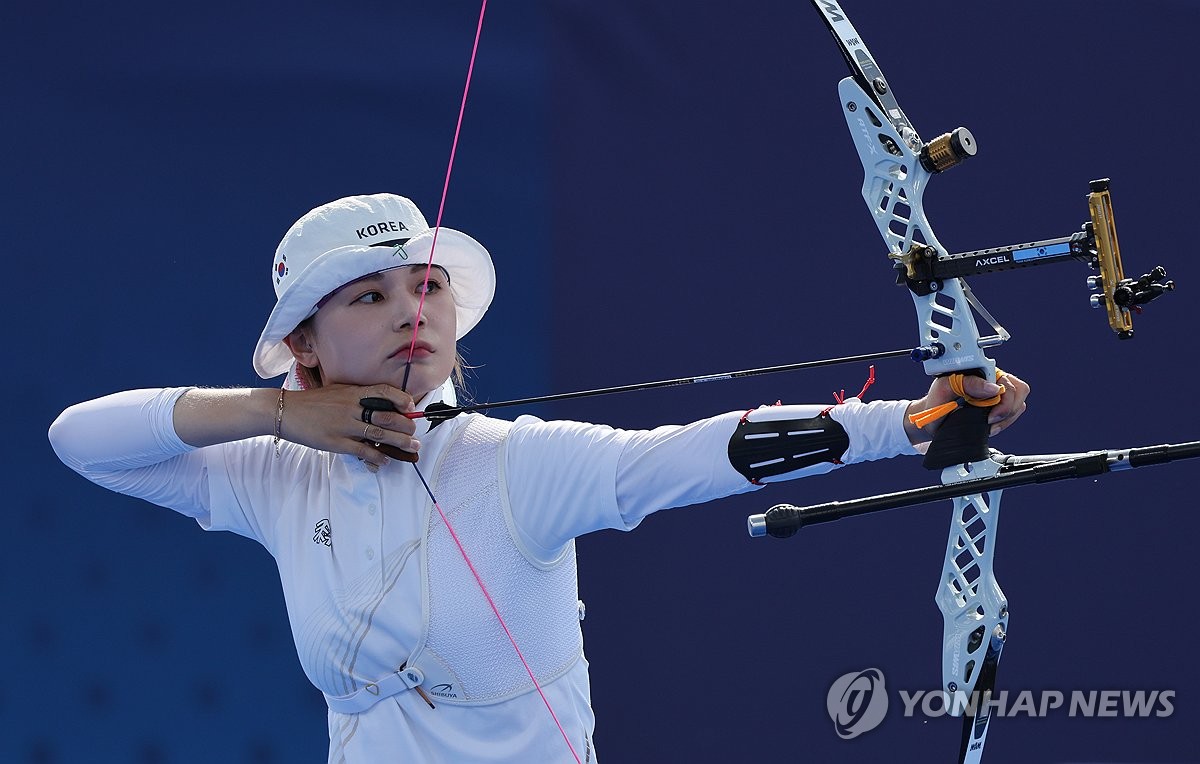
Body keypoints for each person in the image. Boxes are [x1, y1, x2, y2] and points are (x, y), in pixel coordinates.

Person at [48, 193, 1029, 763]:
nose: (411, 307)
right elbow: (79, 436)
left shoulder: (513, 463)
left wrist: (909, 424)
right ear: (303, 338)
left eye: (427, 285)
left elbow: (684, 453)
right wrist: (275, 410)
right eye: (371, 293)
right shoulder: (270, 475)